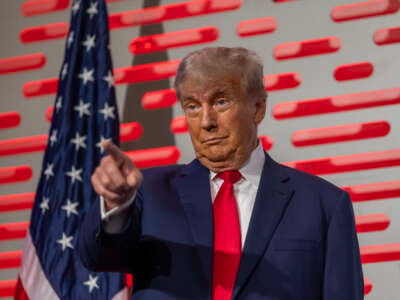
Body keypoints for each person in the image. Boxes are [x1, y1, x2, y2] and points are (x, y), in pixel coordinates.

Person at [78, 47, 364, 300]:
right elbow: (97, 258)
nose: (206, 122)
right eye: (192, 106)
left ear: (258, 108)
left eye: (221, 102)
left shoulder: (324, 204)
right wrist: (116, 206)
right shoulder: (148, 193)